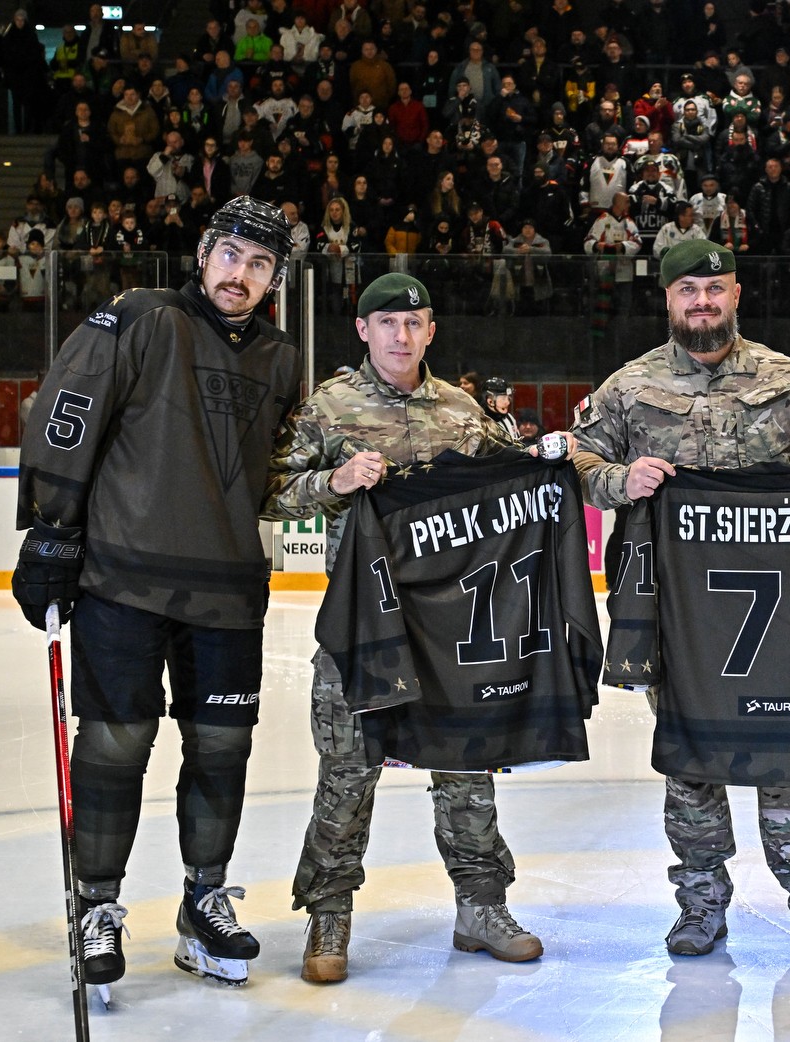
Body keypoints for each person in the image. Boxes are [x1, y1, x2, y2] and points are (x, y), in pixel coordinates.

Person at [10, 196, 301, 991]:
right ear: (204, 253)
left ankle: (204, 901)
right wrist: (51, 529)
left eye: (260, 263)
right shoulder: (139, 318)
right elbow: (66, 414)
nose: (241, 274)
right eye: (231, 254)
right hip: (123, 579)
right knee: (116, 742)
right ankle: (96, 907)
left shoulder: (281, 357)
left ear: (274, 279)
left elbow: (282, 470)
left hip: (229, 590)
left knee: (222, 746)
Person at [569, 238, 790, 958]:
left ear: (737, 294)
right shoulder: (629, 386)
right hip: (677, 611)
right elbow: (580, 462)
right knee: (691, 758)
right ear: (668, 298)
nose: (703, 302)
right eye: (688, 290)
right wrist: (623, 480)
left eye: (715, 289)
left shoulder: (788, 378)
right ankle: (699, 904)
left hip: (776, 609)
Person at [261, 273, 552, 983]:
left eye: (414, 322)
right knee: (346, 774)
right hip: (362, 627)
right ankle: (328, 915)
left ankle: (481, 906)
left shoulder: (462, 411)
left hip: (452, 629)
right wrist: (332, 483)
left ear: (431, 331)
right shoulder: (327, 408)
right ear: (363, 330)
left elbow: (508, 485)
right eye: (387, 323)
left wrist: (553, 460)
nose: (401, 335)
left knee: (467, 768)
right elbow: (269, 494)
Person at [480, 375, 520, 440]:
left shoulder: (509, 417)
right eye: (503, 399)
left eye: (508, 398)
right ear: (490, 401)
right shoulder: (480, 423)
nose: (508, 402)